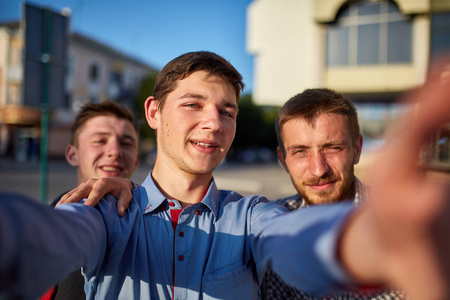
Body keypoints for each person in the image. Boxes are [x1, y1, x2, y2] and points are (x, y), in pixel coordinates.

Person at [2, 51, 450, 300]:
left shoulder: (253, 215)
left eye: (227, 111)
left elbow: (298, 241)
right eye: (193, 105)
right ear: (154, 112)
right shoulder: (107, 212)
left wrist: (381, 237)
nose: (214, 123)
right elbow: (43, 239)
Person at [260, 88, 403, 299]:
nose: (319, 169)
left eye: (333, 148)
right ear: (283, 160)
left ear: (357, 149)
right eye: (300, 151)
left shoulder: (406, 225)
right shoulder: (267, 229)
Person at [41, 101, 140, 300]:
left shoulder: (144, 226)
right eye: (100, 141)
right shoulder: (53, 211)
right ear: (72, 155)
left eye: (127, 143)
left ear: (136, 160)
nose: (115, 151)